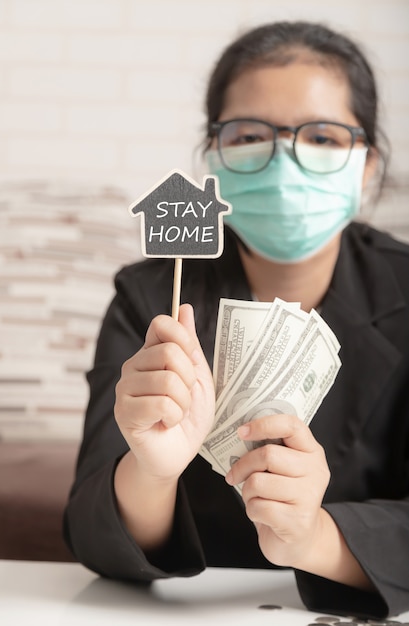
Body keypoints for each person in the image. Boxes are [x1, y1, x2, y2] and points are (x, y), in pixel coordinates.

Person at [64, 21, 409, 619]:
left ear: (369, 164)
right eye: (251, 135)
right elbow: (91, 529)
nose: (284, 162)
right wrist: (149, 472)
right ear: (215, 156)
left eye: (322, 138)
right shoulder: (147, 294)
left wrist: (315, 539)